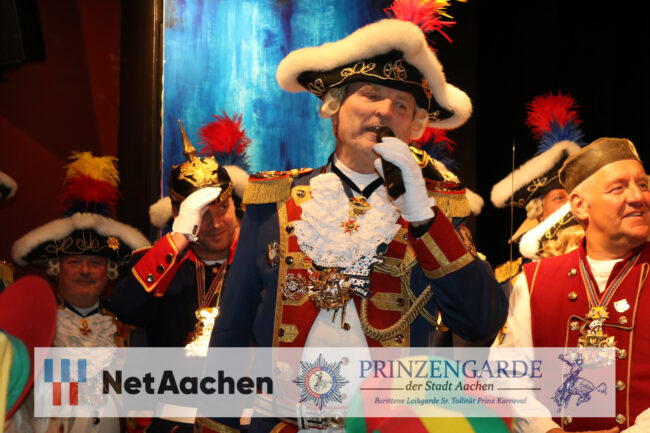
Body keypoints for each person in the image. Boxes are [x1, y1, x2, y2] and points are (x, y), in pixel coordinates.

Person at [208, 3, 508, 432]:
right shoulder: (274, 201)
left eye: (402, 105)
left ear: (414, 126)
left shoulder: (437, 210)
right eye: (370, 94)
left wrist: (422, 217)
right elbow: (231, 332)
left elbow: (481, 321)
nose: (385, 110)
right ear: (334, 106)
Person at [497, 137, 650, 432]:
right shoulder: (534, 281)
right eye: (618, 188)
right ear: (579, 206)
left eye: (642, 184)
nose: (638, 197)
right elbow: (508, 378)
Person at [110, 117, 248, 433]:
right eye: (203, 214)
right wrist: (179, 237)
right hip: (173, 420)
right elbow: (124, 307)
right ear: (178, 214)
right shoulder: (161, 265)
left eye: (223, 208)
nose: (216, 223)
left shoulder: (256, 265)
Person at [10, 151, 151, 433]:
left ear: (109, 270)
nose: (85, 270)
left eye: (95, 263)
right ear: (57, 267)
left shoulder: (129, 332)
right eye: (74, 261)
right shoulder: (35, 331)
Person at [491, 92, 585, 283]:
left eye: (574, 196)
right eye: (559, 198)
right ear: (539, 212)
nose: (569, 205)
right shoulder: (513, 277)